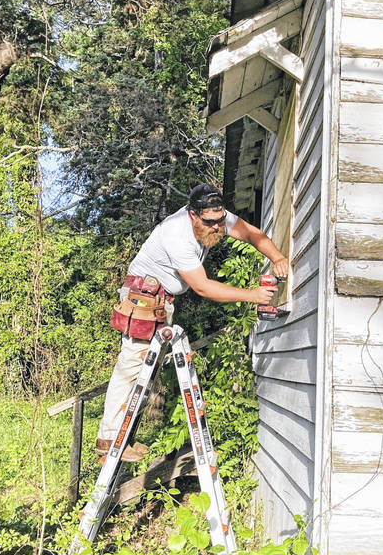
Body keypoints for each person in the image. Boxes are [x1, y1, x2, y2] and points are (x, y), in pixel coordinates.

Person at [96, 183, 289, 461]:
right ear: (193, 215)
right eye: (210, 223)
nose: (216, 228)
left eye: (220, 221)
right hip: (143, 299)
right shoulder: (177, 233)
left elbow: (251, 233)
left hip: (161, 302)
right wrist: (253, 296)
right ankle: (108, 441)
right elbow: (202, 287)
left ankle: (123, 438)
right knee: (131, 367)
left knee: (146, 374)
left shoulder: (218, 218)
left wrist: (277, 256)